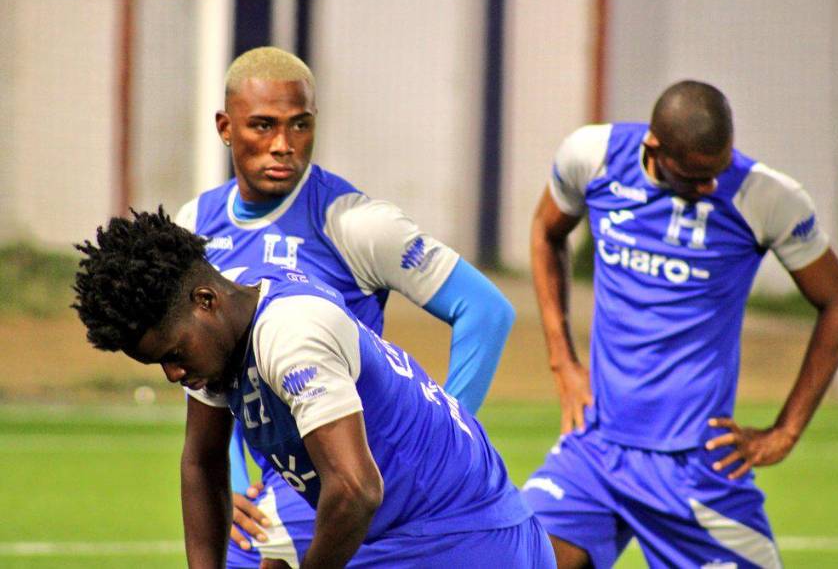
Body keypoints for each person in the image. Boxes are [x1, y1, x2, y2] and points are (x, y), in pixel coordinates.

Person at [174, 46, 516, 567]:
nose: (283, 146)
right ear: (225, 127)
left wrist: (442, 441)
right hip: (272, 475)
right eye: (263, 126)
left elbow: (486, 311)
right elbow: (200, 357)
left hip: (341, 461)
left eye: (300, 125)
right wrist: (234, 479)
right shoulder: (194, 224)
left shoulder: (354, 223)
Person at [72, 208, 556, 569]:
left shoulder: (291, 335)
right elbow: (202, 461)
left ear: (206, 301)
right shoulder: (221, 322)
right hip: (405, 531)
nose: (173, 375)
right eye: (160, 364)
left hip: (465, 536)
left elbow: (356, 488)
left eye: (174, 355)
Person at [522, 80, 838, 568]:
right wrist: (562, 360)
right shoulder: (591, 156)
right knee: (518, 557)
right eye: (696, 177)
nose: (710, 188)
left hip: (694, 469)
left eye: (718, 171)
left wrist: (785, 431)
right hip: (593, 450)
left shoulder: (765, 197)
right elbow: (545, 232)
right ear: (653, 148)